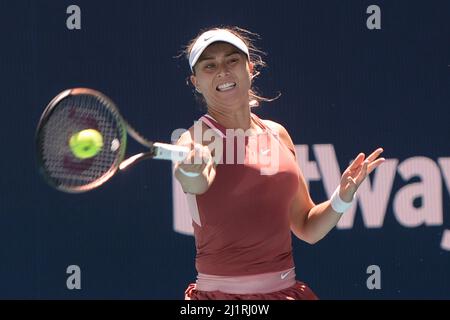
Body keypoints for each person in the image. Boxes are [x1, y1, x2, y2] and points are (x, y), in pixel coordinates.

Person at [173, 26, 385, 300]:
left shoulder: (277, 134)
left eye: (232, 60)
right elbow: (194, 180)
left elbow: (307, 227)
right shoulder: (194, 140)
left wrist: (341, 198)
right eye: (209, 65)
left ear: (250, 68)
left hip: (286, 292)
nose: (223, 71)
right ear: (196, 82)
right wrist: (191, 168)